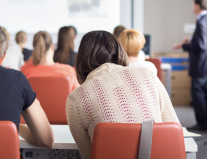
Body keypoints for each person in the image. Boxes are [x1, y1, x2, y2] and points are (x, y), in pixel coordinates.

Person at [66, 31, 180, 159]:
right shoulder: (148, 75)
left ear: (81, 59)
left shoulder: (76, 98)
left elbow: (89, 155)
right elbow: (176, 131)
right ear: (119, 51)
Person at [173, 0, 207, 130]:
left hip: (200, 65)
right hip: (204, 66)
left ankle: (202, 124)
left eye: (193, 4)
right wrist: (190, 40)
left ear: (197, 6)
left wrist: (183, 46)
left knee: (197, 95)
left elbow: (202, 45)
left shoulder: (202, 21)